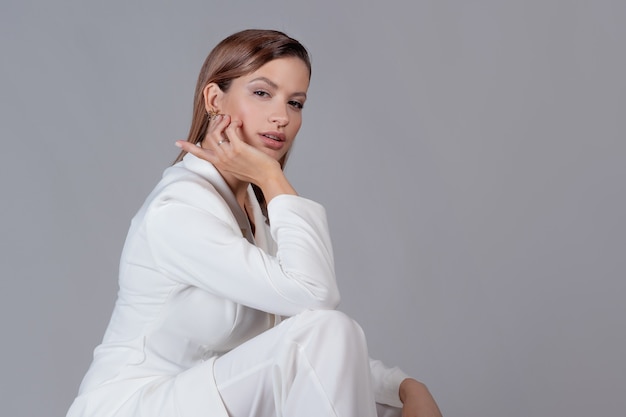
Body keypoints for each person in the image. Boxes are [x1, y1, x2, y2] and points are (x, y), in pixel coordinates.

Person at [66, 29, 443, 417]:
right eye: (262, 93)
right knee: (330, 329)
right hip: (134, 407)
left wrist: (403, 388)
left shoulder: (254, 214)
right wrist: (272, 178)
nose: (281, 116)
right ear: (215, 99)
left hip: (203, 401)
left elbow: (309, 342)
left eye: (295, 103)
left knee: (336, 340)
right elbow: (315, 297)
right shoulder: (177, 209)